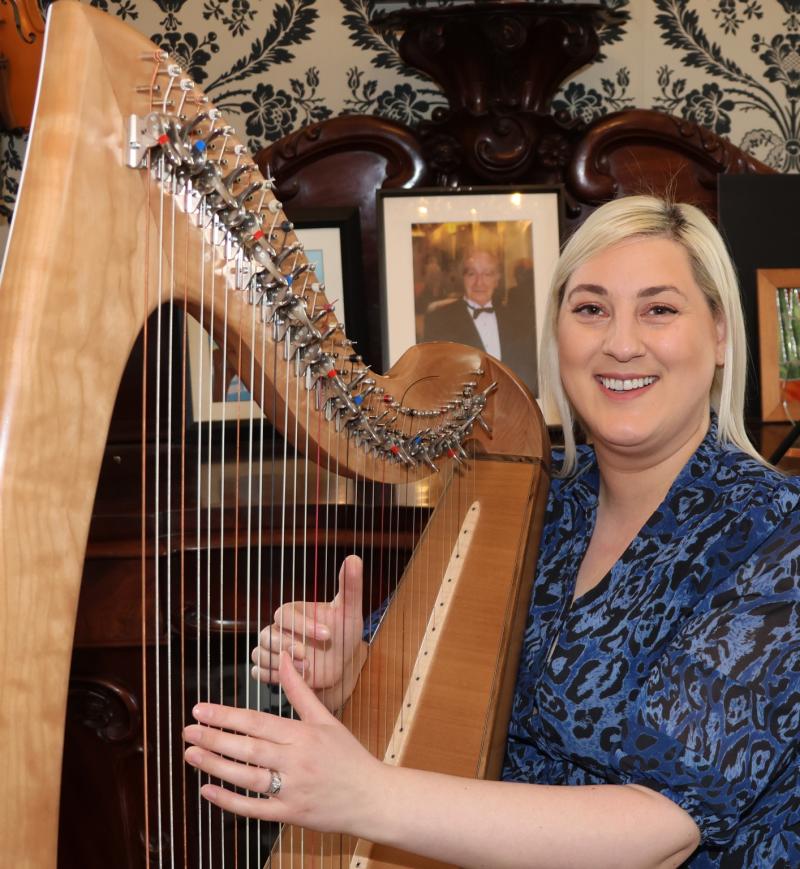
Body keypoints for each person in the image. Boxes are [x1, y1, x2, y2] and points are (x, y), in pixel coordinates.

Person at [184, 196, 800, 868]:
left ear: (717, 334)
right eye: (591, 308)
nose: (622, 342)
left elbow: (661, 829)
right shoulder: (534, 504)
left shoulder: (778, 535)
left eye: (659, 308)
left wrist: (368, 796)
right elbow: (410, 696)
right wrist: (343, 671)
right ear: (557, 331)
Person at [423, 246, 538, 393]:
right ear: (462, 278)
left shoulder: (519, 320)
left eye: (487, 274)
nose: (479, 283)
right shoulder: (438, 320)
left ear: (497, 280)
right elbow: (434, 379)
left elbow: (529, 373)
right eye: (472, 274)